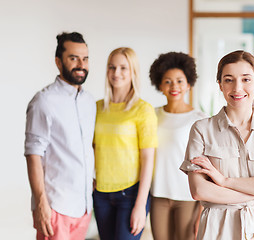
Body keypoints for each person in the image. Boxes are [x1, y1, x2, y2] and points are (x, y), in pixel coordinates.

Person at [180, 50, 254, 240]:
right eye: (228, 80)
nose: (237, 88)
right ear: (220, 85)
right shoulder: (201, 129)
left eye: (246, 79)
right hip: (217, 229)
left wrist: (224, 181)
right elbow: (199, 190)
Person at [24, 32, 95, 240]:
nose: (81, 64)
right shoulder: (43, 102)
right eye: (73, 58)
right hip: (56, 206)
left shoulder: (89, 102)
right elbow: (33, 155)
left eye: (85, 58)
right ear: (58, 61)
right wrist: (41, 203)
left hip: (83, 207)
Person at [93, 47, 157, 240]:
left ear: (133, 72)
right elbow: (92, 148)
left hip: (130, 194)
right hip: (101, 194)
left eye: (123, 68)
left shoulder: (143, 110)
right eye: (112, 67)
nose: (116, 73)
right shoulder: (96, 108)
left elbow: (148, 159)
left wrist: (140, 204)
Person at [149, 52, 206, 240]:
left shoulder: (200, 119)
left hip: (187, 196)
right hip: (158, 194)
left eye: (180, 81)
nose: (174, 86)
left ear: (188, 84)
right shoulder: (150, 115)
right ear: (159, 85)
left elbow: (204, 166)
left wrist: (202, 208)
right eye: (168, 81)